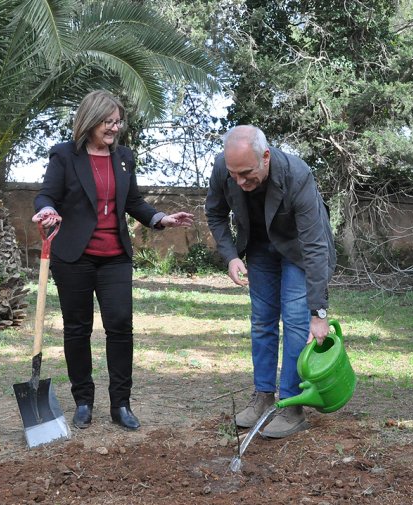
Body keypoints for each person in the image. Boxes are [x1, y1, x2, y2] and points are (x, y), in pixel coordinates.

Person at [33, 90, 194, 431]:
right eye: (108, 122)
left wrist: (160, 218)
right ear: (90, 120)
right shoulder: (65, 156)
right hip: (73, 257)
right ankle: (83, 402)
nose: (114, 128)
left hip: (114, 257)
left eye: (118, 122)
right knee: (77, 330)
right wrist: (46, 210)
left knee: (120, 325)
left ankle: (121, 404)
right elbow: (47, 194)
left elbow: (133, 201)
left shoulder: (124, 157)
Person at [205, 125, 336, 439]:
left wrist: (318, 313)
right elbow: (215, 213)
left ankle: (291, 405)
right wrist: (231, 256)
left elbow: (315, 245)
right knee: (262, 320)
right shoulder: (226, 166)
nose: (239, 181)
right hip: (260, 248)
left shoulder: (297, 175)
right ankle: (263, 397)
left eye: (246, 173)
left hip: (298, 250)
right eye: (234, 174)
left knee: (294, 320)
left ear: (265, 157)